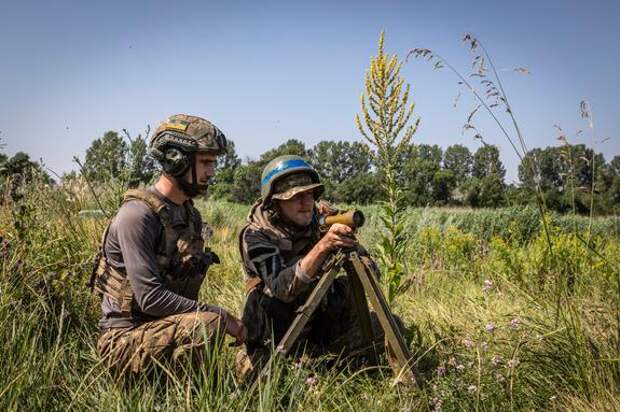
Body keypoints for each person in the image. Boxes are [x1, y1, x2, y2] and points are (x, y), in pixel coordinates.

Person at [91, 114, 246, 376]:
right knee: (208, 323)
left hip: (162, 331)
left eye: (213, 163)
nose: (212, 172)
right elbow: (150, 298)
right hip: (123, 341)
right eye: (206, 162)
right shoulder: (138, 215)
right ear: (176, 160)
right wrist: (220, 315)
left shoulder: (189, 216)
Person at [235, 155, 387, 379]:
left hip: (319, 323)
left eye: (310, 194)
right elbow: (282, 287)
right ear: (274, 202)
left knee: (385, 327)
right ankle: (283, 363)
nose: (306, 202)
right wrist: (323, 247)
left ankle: (328, 361)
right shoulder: (256, 235)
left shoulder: (322, 219)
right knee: (262, 381)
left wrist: (350, 247)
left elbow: (372, 274)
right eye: (295, 196)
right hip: (276, 331)